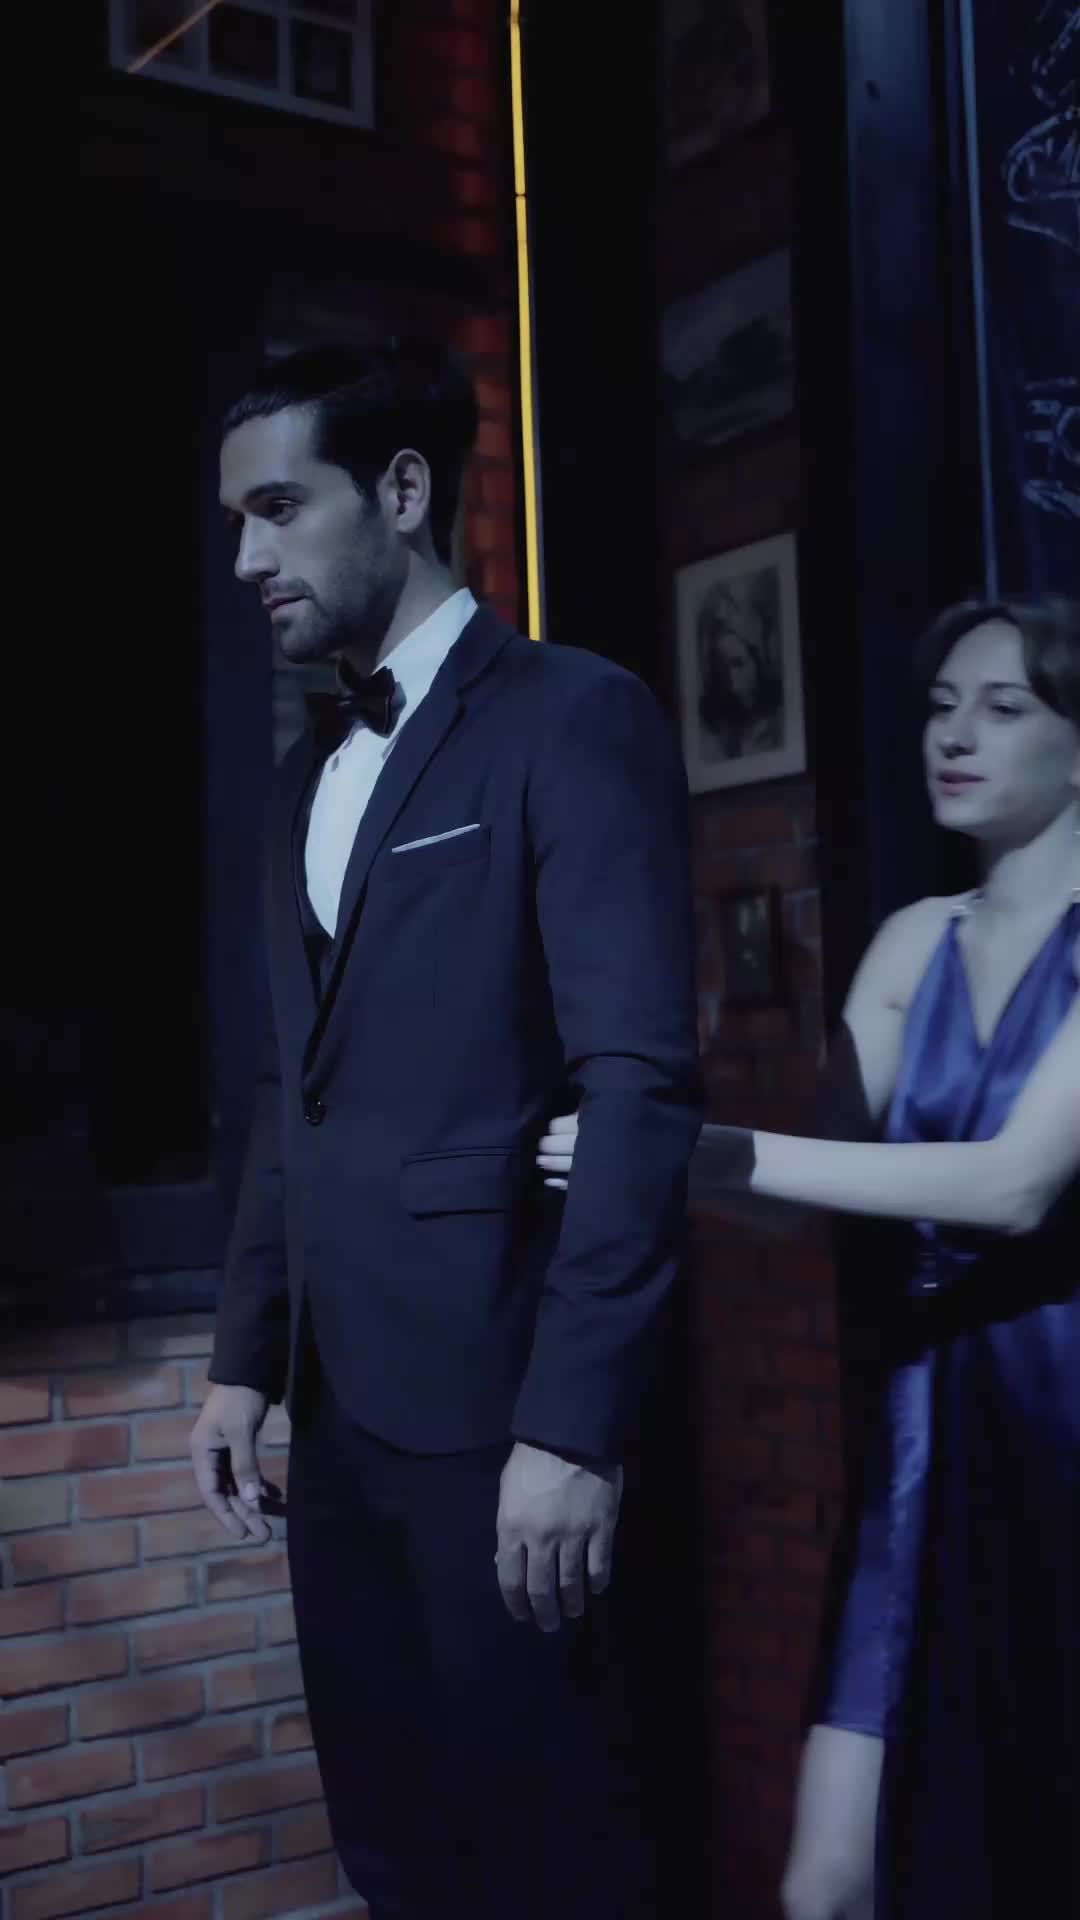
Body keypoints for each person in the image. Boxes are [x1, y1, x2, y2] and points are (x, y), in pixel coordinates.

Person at [189, 338, 703, 1920]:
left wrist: (575, 1429)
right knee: (396, 1854)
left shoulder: (572, 716)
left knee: (553, 1859)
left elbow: (640, 1086)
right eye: (235, 520)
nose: (246, 558)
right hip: (336, 1412)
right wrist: (242, 1358)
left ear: (402, 491)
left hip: (503, 1411)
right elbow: (291, 1086)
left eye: (279, 508)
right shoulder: (301, 778)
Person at [538, 596, 1080, 1919]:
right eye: (940, 707)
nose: (954, 736)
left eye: (1002, 707)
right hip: (923, 1437)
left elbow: (1010, 1187)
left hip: (1064, 1431)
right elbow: (803, 1197)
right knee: (825, 1885)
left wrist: (705, 1152)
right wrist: (638, 1159)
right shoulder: (913, 941)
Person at [696, 577, 783, 759]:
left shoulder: (779, 726)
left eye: (738, 664)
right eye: (722, 669)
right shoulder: (714, 740)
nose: (732, 684)